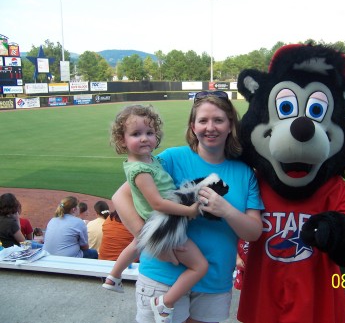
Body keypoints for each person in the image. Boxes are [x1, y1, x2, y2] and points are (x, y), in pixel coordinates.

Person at [112, 91, 264, 323]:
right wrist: (152, 241)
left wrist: (225, 209)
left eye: (218, 120)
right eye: (203, 120)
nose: (210, 127)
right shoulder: (172, 158)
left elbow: (253, 232)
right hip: (163, 277)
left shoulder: (245, 173)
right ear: (193, 126)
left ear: (230, 124)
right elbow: (120, 196)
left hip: (214, 282)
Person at [104, 104, 206, 322]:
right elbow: (158, 204)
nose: (144, 139)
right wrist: (188, 210)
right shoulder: (140, 170)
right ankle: (164, 303)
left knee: (137, 243)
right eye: (136, 134)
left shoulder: (149, 161)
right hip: (163, 226)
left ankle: (113, 276)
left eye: (149, 133)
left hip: (156, 225)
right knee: (199, 266)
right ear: (122, 140)